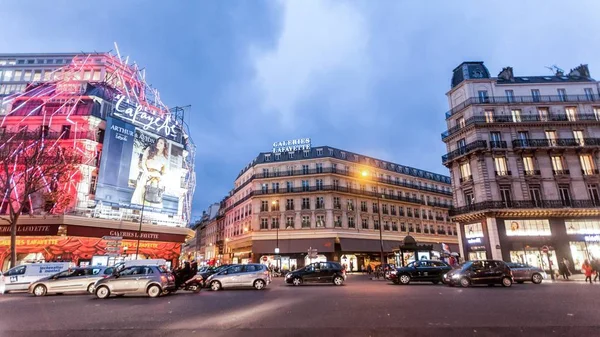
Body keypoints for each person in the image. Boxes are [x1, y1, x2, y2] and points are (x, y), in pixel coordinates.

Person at [131, 137, 169, 207]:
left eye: (161, 143)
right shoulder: (149, 149)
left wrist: (158, 175)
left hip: (156, 179)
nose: (158, 144)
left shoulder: (164, 158)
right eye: (158, 142)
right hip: (146, 175)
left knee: (153, 196)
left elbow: (164, 173)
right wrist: (147, 173)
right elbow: (143, 162)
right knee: (140, 194)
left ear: (164, 146)